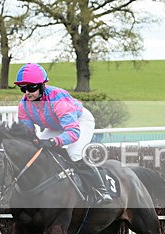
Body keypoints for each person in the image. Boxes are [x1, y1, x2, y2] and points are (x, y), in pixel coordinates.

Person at [13, 62, 112, 204]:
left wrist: (53, 141)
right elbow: (28, 134)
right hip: (55, 125)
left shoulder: (58, 98)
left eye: (31, 87)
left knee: (74, 153)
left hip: (79, 122)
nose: (27, 92)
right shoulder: (23, 105)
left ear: (42, 86)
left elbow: (72, 133)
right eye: (23, 89)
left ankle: (102, 191)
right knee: (36, 151)